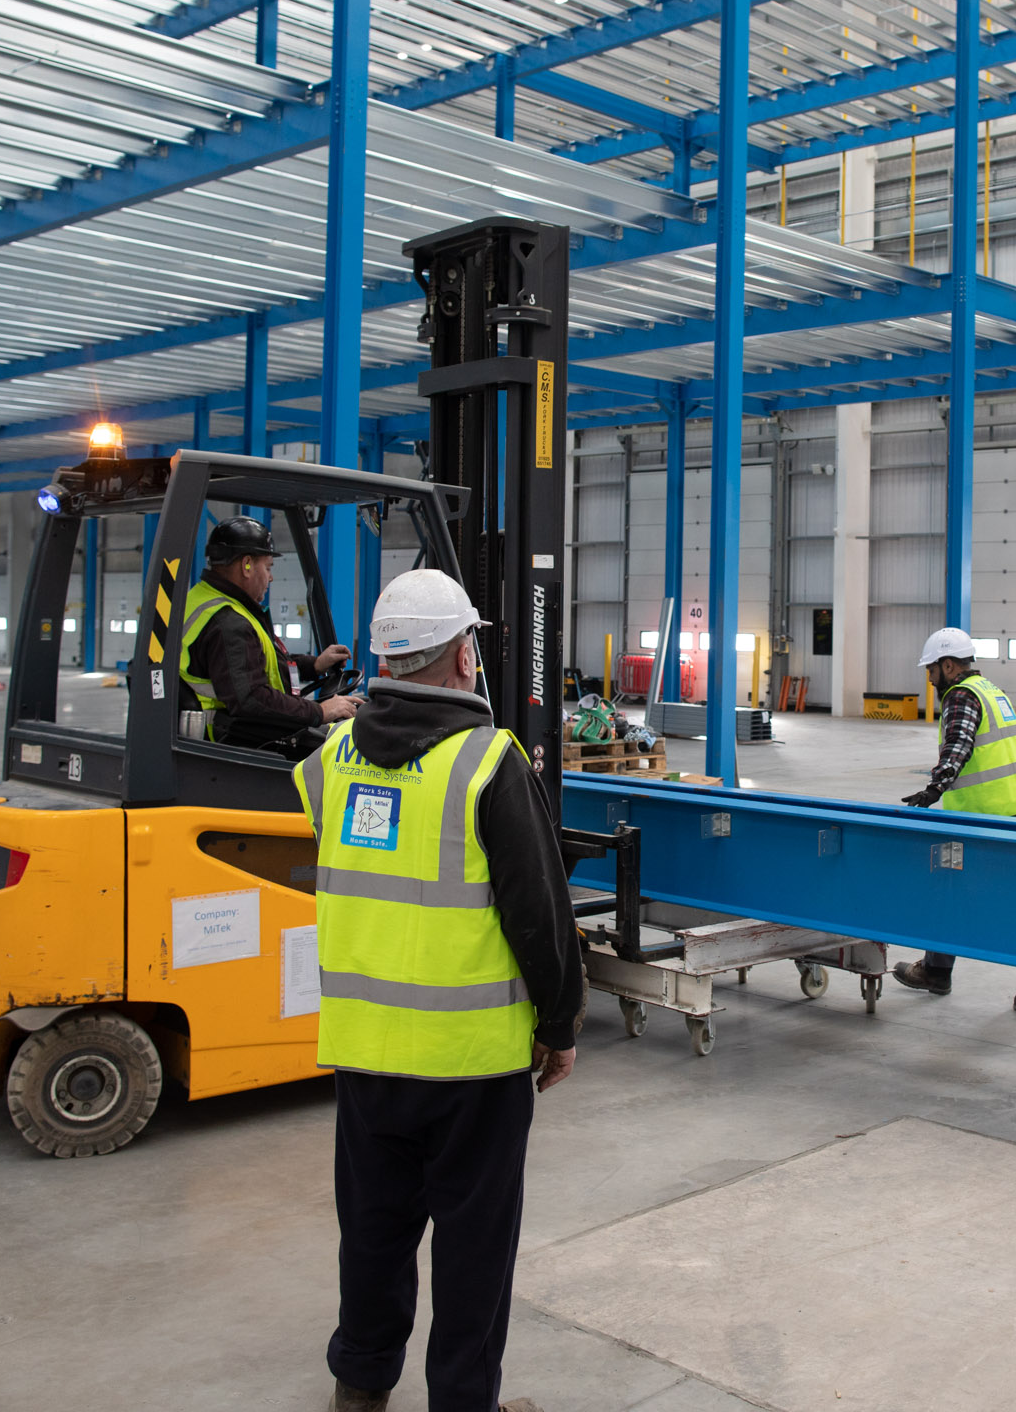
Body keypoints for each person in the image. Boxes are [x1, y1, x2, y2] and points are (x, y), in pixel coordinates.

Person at [294, 568, 584, 1412]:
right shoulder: (488, 763)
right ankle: (464, 1402)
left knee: (375, 1232)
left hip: (366, 1053)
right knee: (473, 1246)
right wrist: (560, 1022)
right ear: (462, 655)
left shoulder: (333, 759)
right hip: (471, 1063)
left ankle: (361, 1386)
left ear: (385, 657)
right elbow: (540, 914)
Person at [892, 626, 1016, 1022]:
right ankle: (939, 971)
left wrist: (934, 789)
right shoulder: (991, 690)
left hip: (989, 815)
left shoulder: (962, 695)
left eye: (932, 669)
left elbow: (959, 746)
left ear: (948, 666)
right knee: (954, 887)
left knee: (996, 899)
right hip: (1014, 808)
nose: (930, 678)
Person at [179, 515, 360, 752]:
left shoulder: (204, 599)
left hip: (231, 729)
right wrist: (321, 711)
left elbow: (258, 664)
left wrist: (314, 665)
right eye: (268, 567)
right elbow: (251, 699)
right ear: (246, 565)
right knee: (338, 748)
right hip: (233, 740)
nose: (271, 577)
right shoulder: (229, 622)